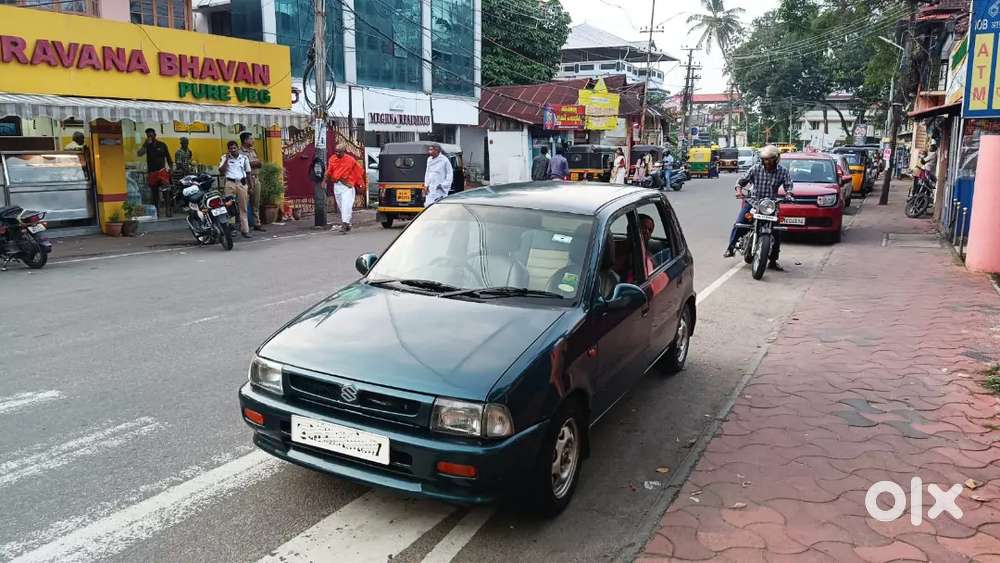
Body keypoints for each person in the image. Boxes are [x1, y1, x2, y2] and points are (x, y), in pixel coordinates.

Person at [723, 145, 793, 271]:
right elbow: (741, 181)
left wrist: (788, 194)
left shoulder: (782, 171)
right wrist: (739, 190)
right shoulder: (756, 169)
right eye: (765, 159)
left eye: (770, 159)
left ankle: (773, 260)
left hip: (770, 205)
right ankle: (731, 247)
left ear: (776, 159)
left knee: (776, 231)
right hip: (753, 201)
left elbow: (788, 185)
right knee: (740, 223)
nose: (767, 162)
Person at [325, 146, 365, 233]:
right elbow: (329, 171)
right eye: (336, 151)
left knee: (346, 205)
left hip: (347, 186)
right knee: (341, 206)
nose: (337, 153)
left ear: (344, 151)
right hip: (337, 185)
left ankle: (344, 224)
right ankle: (348, 224)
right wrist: (325, 180)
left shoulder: (350, 160)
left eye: (339, 152)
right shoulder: (332, 159)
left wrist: (360, 184)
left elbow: (358, 172)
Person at [219, 140, 252, 239]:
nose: (233, 150)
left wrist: (250, 186)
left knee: (243, 207)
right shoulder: (224, 158)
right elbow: (221, 171)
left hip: (241, 183)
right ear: (228, 150)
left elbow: (248, 173)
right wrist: (226, 160)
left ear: (238, 148)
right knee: (230, 208)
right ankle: (232, 229)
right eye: (231, 149)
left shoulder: (244, 158)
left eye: (234, 148)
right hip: (230, 183)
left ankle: (245, 230)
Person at [137, 128, 172, 210]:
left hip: (162, 171)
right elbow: (139, 154)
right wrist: (145, 144)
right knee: (154, 193)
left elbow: (168, 157)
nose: (150, 137)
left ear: (155, 135)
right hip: (152, 172)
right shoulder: (147, 146)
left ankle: (168, 210)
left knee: (166, 191)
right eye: (148, 135)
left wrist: (171, 169)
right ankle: (157, 211)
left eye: (151, 135)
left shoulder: (162, 144)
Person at [239, 131, 265, 232]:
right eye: (251, 138)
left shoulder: (253, 150)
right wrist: (254, 163)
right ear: (245, 140)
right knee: (244, 204)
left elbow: (259, 163)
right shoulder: (240, 152)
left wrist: (255, 163)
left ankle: (257, 223)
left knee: (256, 202)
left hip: (256, 178)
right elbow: (245, 165)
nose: (252, 140)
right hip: (245, 179)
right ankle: (245, 226)